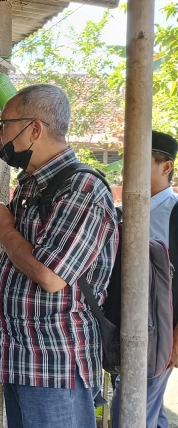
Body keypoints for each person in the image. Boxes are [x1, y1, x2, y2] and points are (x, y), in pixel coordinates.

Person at [0, 84, 118, 428]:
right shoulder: (31, 185)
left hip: (54, 363)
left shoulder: (82, 188)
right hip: (20, 358)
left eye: (4, 125)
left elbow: (50, 276)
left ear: (34, 129)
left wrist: (5, 230)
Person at [111, 131, 178, 428]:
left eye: (139, 159)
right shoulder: (122, 212)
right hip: (124, 328)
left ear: (166, 167)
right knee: (150, 412)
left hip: (159, 334)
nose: (128, 168)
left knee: (131, 409)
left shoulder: (174, 212)